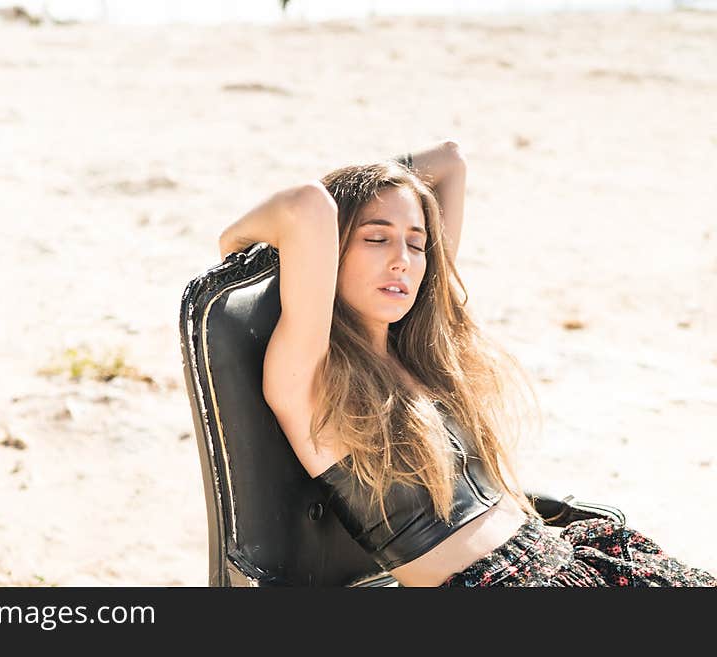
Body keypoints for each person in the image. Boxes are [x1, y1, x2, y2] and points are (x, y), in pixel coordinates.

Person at [217, 141, 716, 587]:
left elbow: (449, 162)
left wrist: (389, 194)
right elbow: (307, 205)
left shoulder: (422, 352)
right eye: (376, 238)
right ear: (330, 251)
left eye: (416, 243)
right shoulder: (313, 377)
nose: (403, 261)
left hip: (566, 559)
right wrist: (240, 243)